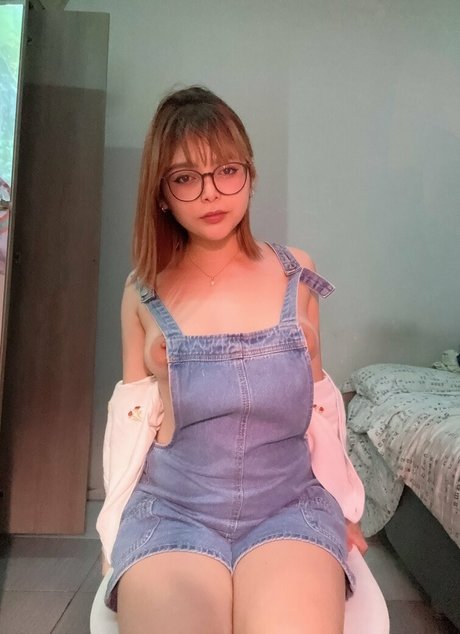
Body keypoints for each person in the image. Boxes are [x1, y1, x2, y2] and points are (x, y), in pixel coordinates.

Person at [97, 85, 367, 634]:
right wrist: (111, 532)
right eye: (185, 178)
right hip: (173, 511)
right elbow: (129, 425)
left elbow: (318, 404)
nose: (211, 193)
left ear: (250, 174)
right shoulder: (141, 291)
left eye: (227, 170)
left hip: (288, 505)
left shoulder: (297, 272)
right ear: (161, 193)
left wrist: (343, 503)